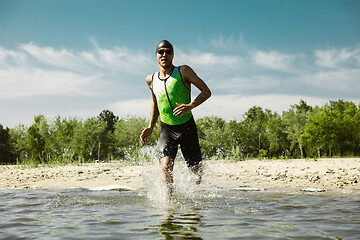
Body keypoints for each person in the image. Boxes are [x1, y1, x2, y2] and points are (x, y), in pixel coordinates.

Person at [140, 40, 211, 194]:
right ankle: (169, 207)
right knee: (165, 167)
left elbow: (206, 91)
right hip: (167, 129)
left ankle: (182, 186)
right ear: (156, 55)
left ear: (173, 55)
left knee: (196, 175)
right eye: (161, 52)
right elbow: (155, 103)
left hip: (187, 127)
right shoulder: (151, 79)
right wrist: (151, 126)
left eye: (168, 51)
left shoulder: (183, 71)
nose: (164, 54)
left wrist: (191, 105)